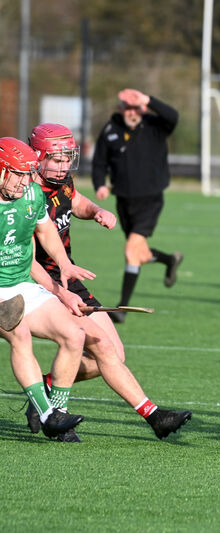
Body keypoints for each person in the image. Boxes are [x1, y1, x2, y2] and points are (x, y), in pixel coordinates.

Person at [24, 123, 192, 442]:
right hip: (43, 284)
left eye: (66, 159)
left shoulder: (61, 182)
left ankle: (43, 391)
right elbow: (27, 260)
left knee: (114, 352)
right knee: (98, 345)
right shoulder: (27, 195)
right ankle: (153, 416)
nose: (63, 166)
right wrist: (59, 291)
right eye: (55, 159)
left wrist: (97, 211)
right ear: (37, 157)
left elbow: (76, 202)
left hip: (67, 278)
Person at [0, 136, 92, 440]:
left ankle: (58, 413)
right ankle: (48, 415)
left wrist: (63, 268)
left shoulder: (32, 194)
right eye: (19, 174)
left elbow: (45, 229)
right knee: (21, 337)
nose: (25, 182)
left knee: (74, 334)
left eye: (29, 174)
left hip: (23, 281)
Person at [91, 88, 182, 324]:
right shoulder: (111, 130)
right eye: (128, 107)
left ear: (141, 108)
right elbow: (99, 161)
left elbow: (173, 116)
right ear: (120, 108)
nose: (132, 112)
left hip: (150, 200)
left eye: (136, 107)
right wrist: (99, 184)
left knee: (131, 249)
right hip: (124, 201)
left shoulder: (155, 125)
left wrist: (148, 100)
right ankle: (170, 260)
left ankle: (123, 307)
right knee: (138, 253)